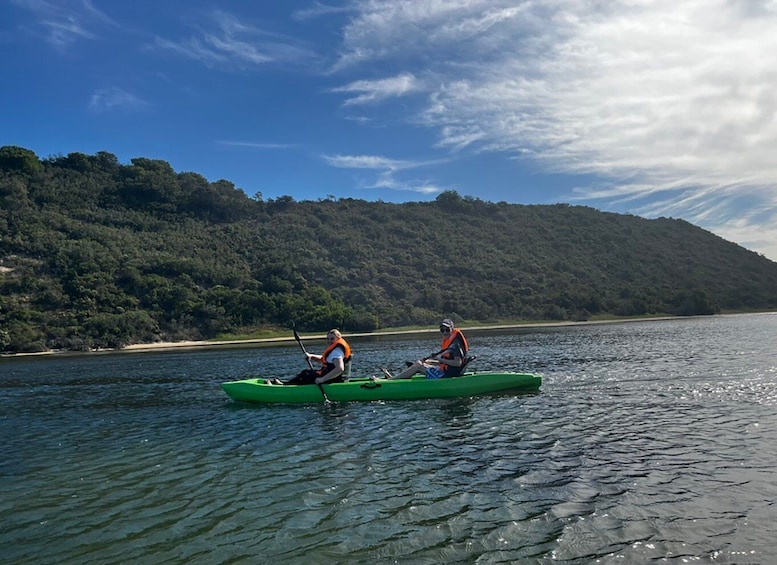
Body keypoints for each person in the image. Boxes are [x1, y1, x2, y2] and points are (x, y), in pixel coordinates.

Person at [382, 319, 469, 380]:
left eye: (447, 329)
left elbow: (458, 363)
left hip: (446, 376)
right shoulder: (450, 342)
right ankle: (397, 378)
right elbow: (447, 362)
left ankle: (392, 380)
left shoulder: (455, 345)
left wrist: (439, 359)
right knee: (420, 363)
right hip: (445, 372)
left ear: (452, 330)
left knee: (418, 365)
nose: (445, 332)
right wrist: (432, 362)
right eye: (442, 330)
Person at [270, 329, 352, 385]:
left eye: (332, 339)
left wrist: (322, 379)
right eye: (328, 339)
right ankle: (286, 384)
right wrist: (311, 356)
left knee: (305, 374)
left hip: (332, 380)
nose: (329, 341)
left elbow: (340, 368)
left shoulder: (336, 352)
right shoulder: (336, 351)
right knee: (306, 373)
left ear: (338, 338)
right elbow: (325, 360)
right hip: (331, 378)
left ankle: (285, 386)